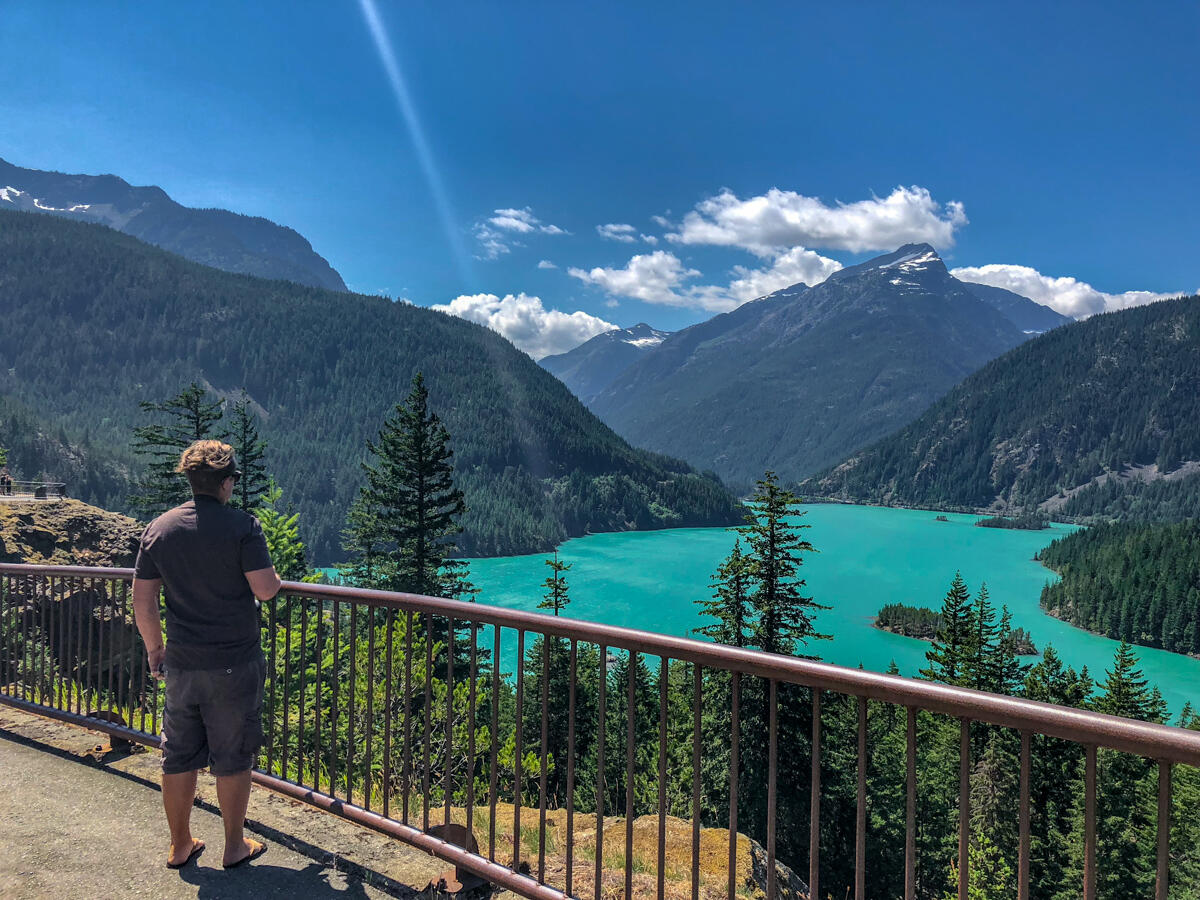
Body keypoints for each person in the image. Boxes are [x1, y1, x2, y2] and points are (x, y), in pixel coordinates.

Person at [132, 440, 282, 870]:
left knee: (178, 754)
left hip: (181, 662)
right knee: (233, 756)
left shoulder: (160, 529)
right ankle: (233, 846)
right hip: (234, 663)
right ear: (226, 482)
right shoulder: (242, 526)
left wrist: (155, 650)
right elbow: (265, 589)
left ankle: (180, 846)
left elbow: (143, 599)